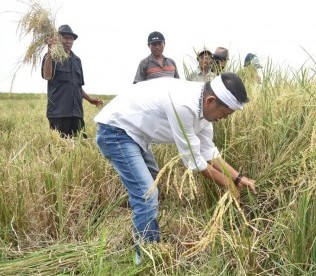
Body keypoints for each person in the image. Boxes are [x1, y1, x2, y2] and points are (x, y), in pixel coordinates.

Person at [94, 73, 256, 263]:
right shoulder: (184, 105)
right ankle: (147, 257)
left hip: (137, 135)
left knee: (152, 183)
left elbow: (208, 151)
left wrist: (237, 178)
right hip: (115, 131)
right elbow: (194, 162)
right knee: (146, 195)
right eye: (226, 113)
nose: (225, 118)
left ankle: (146, 234)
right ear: (211, 101)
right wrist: (227, 183)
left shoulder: (204, 109)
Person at [42, 24, 103, 138]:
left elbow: (77, 85)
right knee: (60, 149)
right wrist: (50, 50)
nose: (68, 41)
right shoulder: (51, 57)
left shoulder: (77, 60)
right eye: (65, 38)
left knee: (80, 147)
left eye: (71, 38)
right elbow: (47, 76)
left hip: (76, 113)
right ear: (58, 40)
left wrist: (90, 99)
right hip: (59, 113)